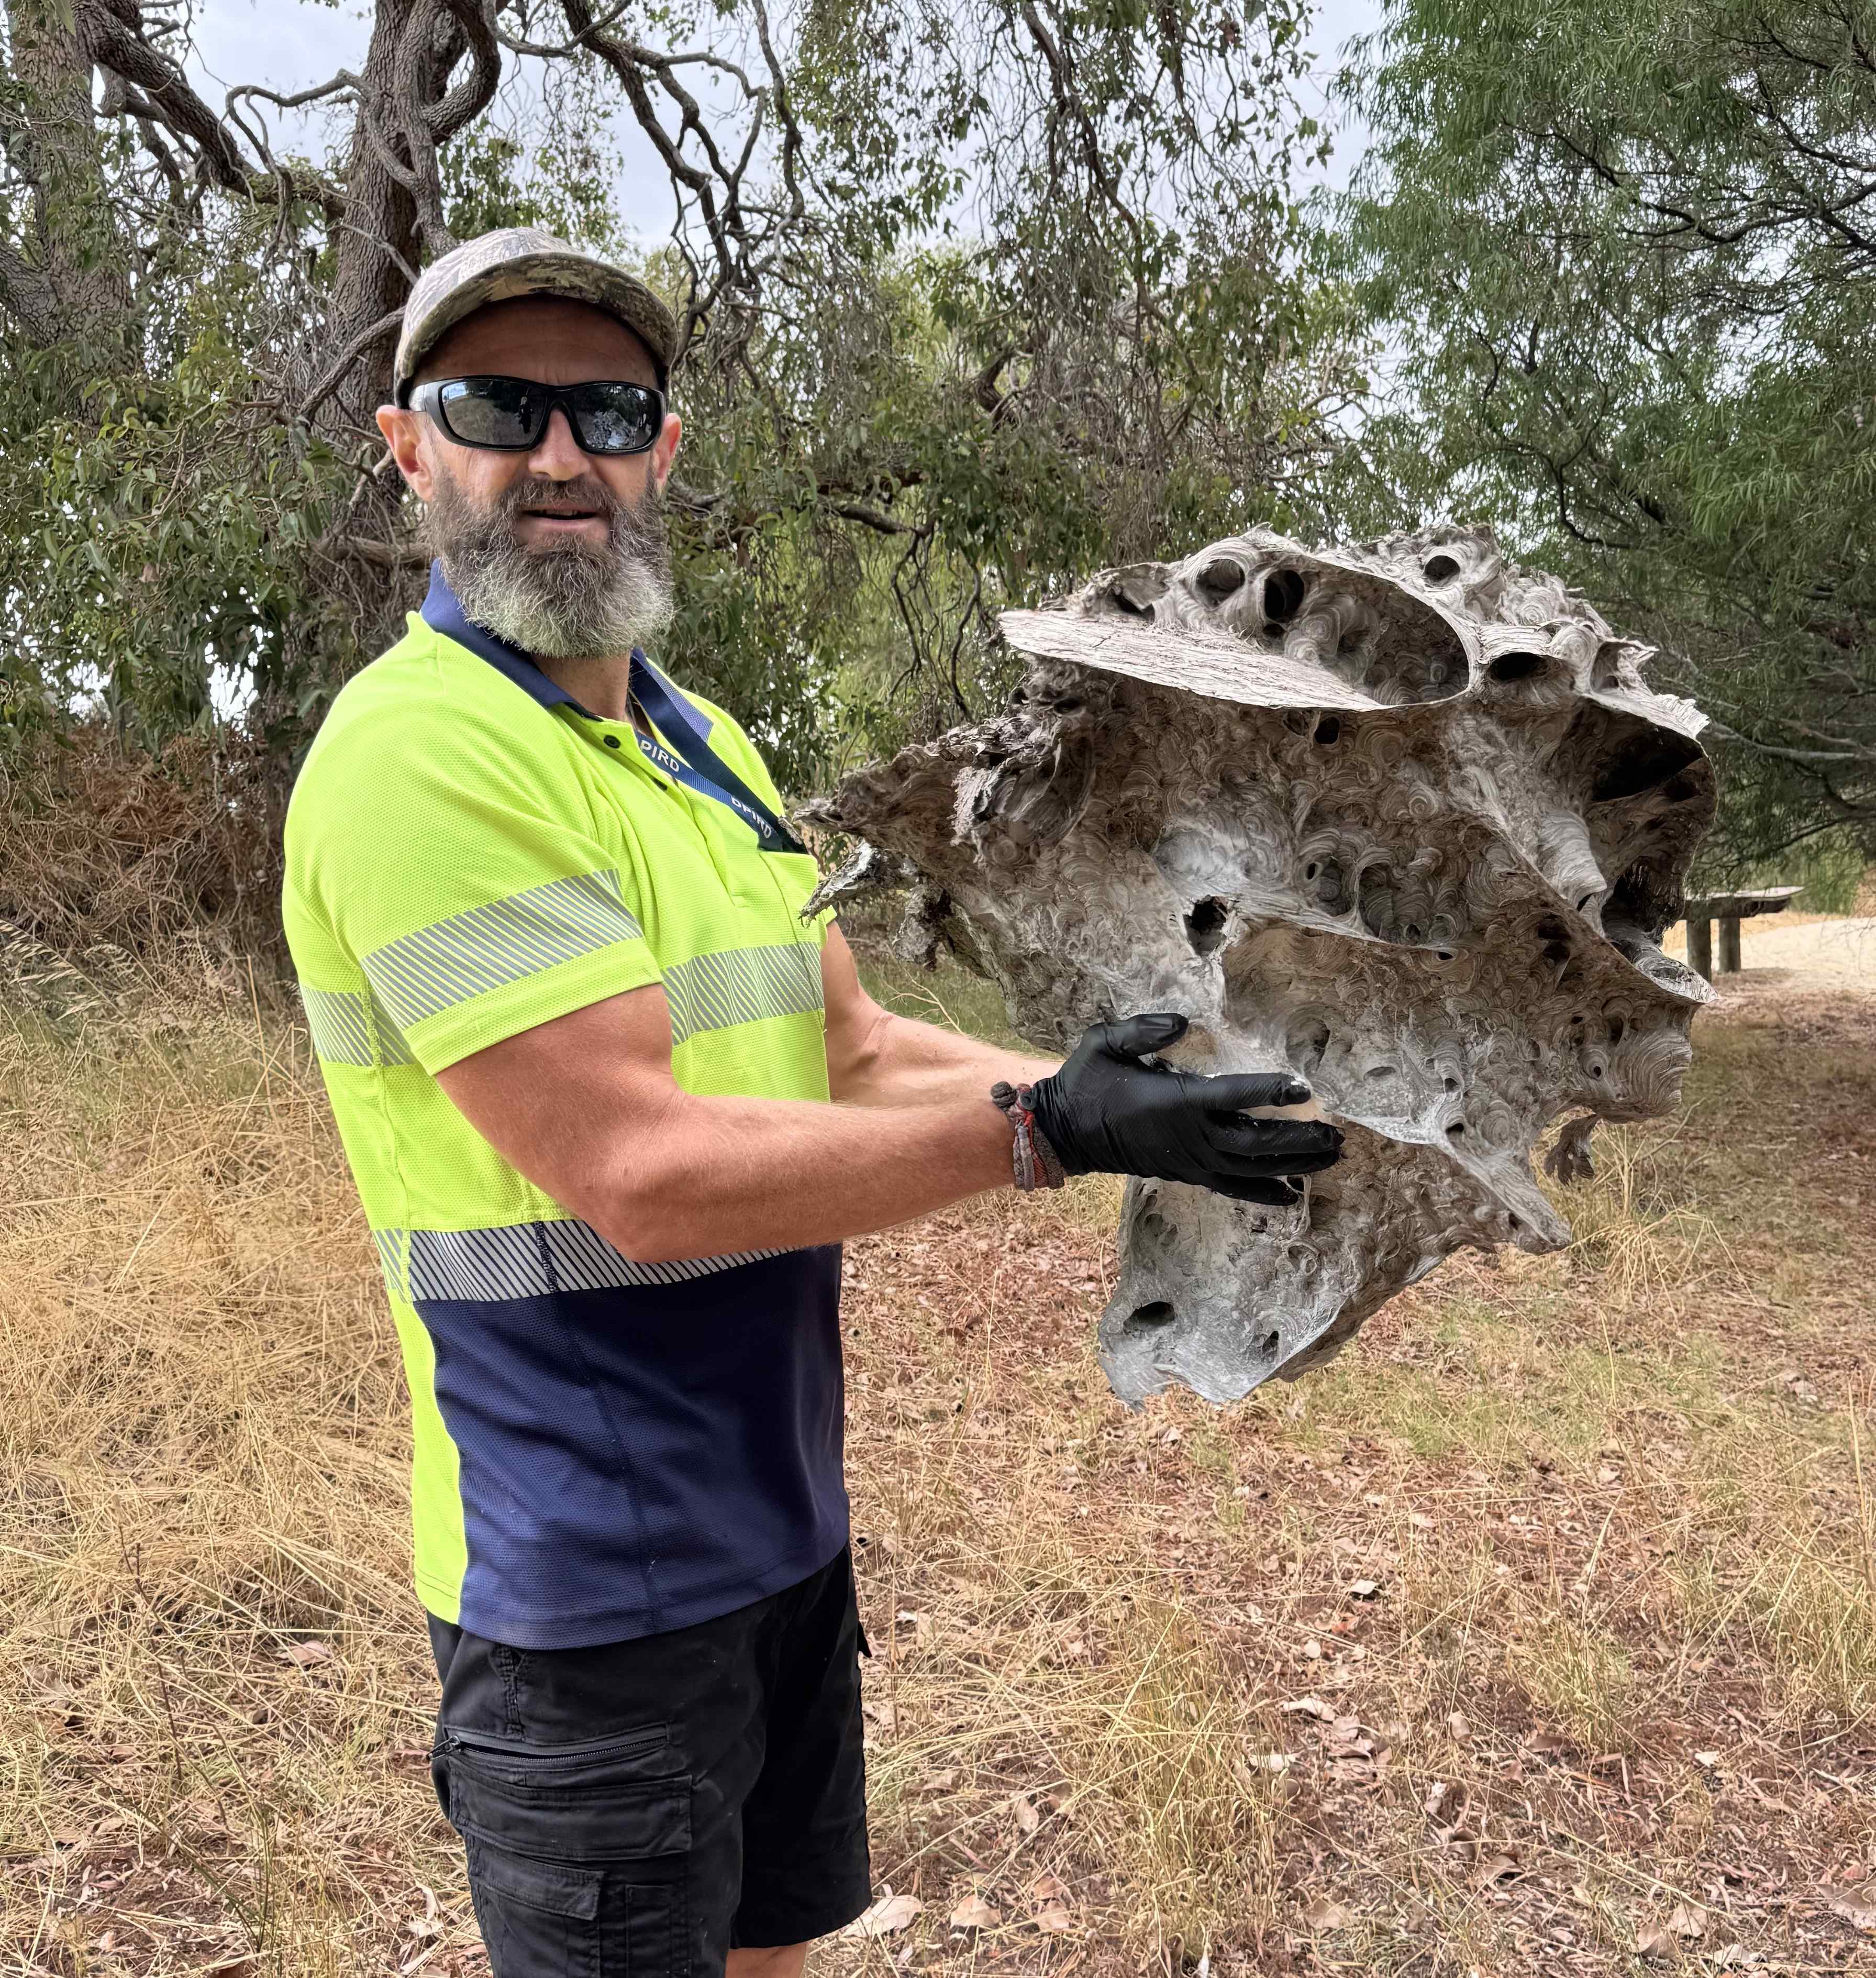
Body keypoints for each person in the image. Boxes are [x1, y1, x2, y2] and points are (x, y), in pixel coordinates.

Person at [280, 226, 1342, 1978]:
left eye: (611, 411)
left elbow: (847, 1047)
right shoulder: (420, 754)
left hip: (778, 1534)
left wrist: (1138, 1094)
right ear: (411, 448)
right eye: (499, 408)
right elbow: (640, 1169)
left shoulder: (700, 744)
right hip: (587, 1592)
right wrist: (1038, 1134)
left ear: (664, 452)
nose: (562, 455)